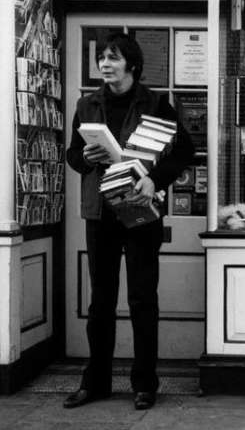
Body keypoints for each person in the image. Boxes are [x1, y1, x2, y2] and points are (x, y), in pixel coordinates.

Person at [64, 33, 194, 410]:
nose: (105, 64)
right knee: (100, 302)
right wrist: (86, 158)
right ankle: (97, 382)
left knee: (141, 299)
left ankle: (144, 384)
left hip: (140, 211)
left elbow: (183, 150)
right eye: (102, 58)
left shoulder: (156, 103)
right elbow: (73, 156)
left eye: (113, 58)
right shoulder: (87, 105)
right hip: (100, 212)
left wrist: (157, 179)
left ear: (132, 65)